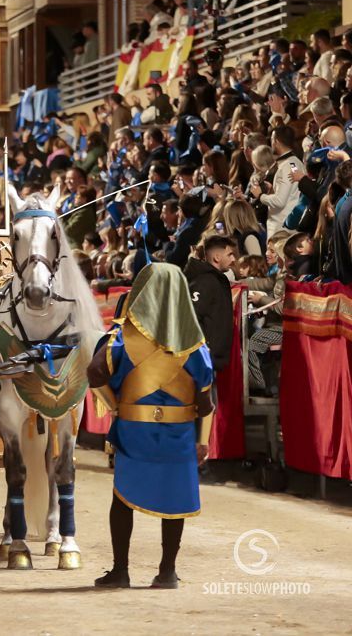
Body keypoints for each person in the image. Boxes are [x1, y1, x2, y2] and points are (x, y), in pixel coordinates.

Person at [88, 264, 215, 589]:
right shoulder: (196, 346)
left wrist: (116, 406)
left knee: (122, 498)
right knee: (175, 499)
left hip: (134, 432)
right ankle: (167, 571)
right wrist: (202, 439)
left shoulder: (120, 339)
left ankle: (121, 571)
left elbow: (94, 373)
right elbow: (206, 399)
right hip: (179, 434)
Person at [185, 236, 236, 372]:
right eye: (230, 254)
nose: (234, 259)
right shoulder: (205, 281)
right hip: (203, 359)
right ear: (217, 257)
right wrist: (203, 349)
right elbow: (192, 316)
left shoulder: (215, 279)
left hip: (210, 358)